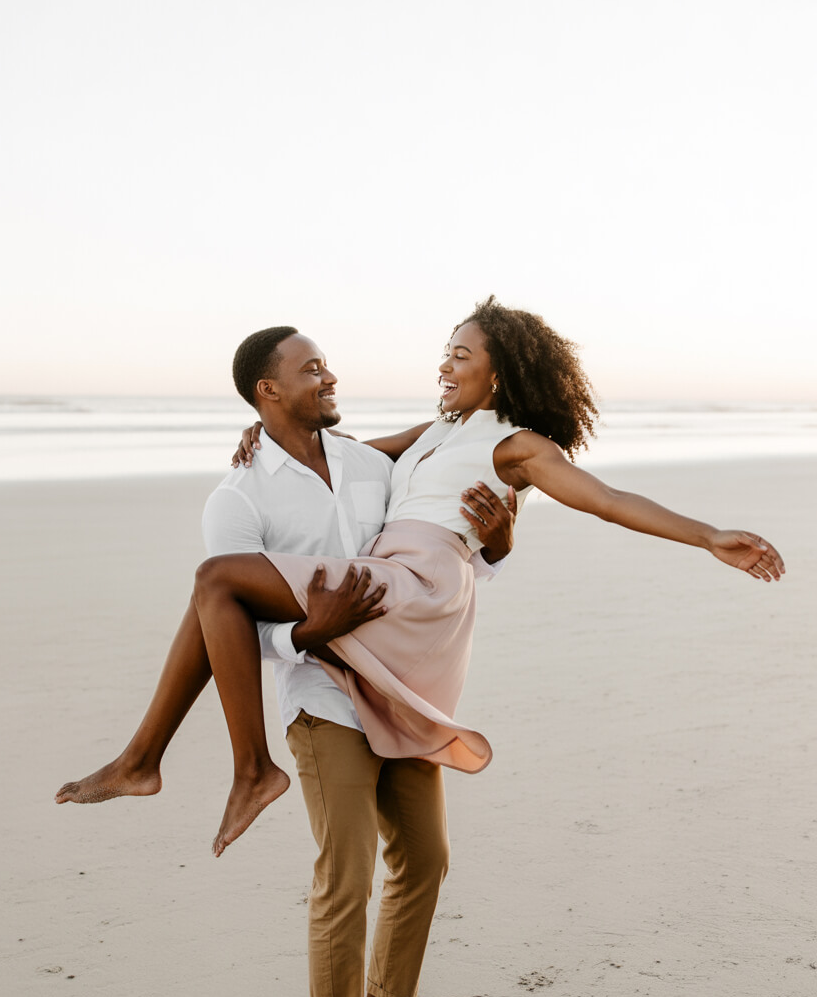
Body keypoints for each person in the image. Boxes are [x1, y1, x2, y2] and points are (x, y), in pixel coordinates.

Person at [56, 323, 516, 997]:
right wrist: (305, 633)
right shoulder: (239, 496)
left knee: (426, 857)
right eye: (312, 369)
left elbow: (446, 503)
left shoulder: (372, 465)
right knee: (348, 869)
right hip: (322, 696)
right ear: (268, 390)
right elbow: (227, 620)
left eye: (327, 365)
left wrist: (499, 542)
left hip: (398, 690)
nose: (330, 377)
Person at [187, 296, 784, 861]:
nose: (444, 366)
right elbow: (332, 456)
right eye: (446, 353)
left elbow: (607, 500)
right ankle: (171, 758)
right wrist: (263, 431)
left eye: (461, 356)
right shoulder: (438, 432)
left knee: (220, 581)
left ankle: (224, 766)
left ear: (497, 375)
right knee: (221, 587)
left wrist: (708, 536)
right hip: (393, 575)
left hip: (418, 583)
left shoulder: (517, 447)